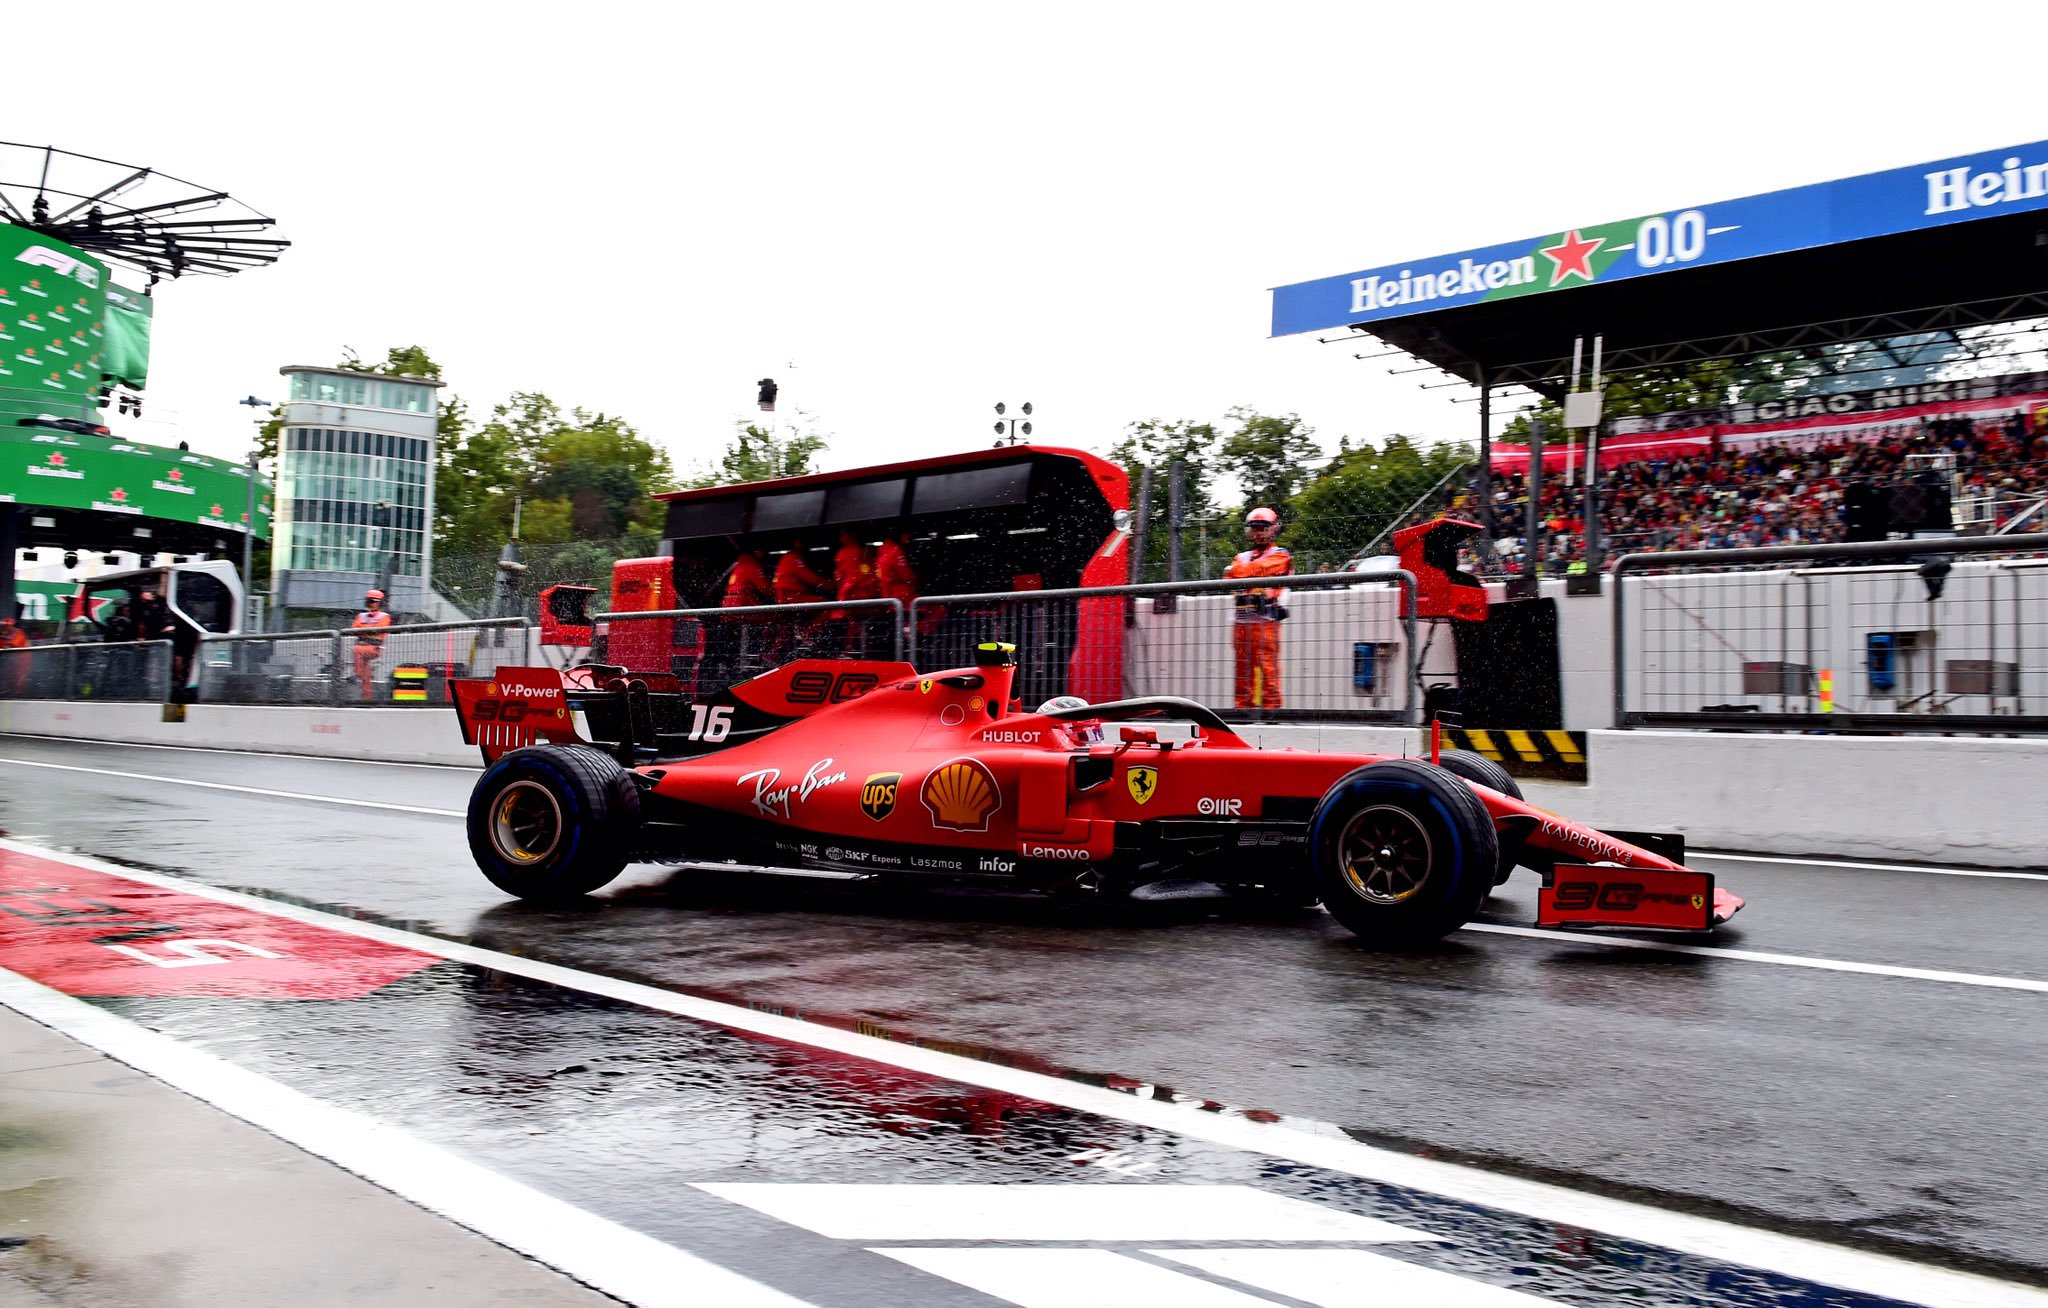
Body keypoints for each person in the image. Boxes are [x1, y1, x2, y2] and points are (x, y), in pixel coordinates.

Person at [1221, 506, 1291, 710]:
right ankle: (1243, 707)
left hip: (1266, 621)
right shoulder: (1241, 557)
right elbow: (1229, 578)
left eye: (1264, 527)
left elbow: (1241, 572)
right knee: (1243, 668)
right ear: (1249, 531)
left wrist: (1238, 572)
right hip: (1241, 620)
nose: (1260, 532)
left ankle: (1272, 708)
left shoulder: (1281, 555)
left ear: (1274, 529)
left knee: (1268, 666)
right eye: (1256, 528)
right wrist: (1244, 573)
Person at [771, 538, 831, 657]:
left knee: (786, 627)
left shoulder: (786, 558)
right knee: (828, 607)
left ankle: (773, 655)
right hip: (793, 600)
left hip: (783, 601)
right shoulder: (794, 558)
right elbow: (811, 578)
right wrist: (831, 586)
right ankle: (806, 634)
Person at [833, 529, 881, 655]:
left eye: (843, 534)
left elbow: (840, 578)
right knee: (855, 622)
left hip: (852, 598)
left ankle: (851, 650)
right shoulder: (865, 553)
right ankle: (862, 650)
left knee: (853, 621)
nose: (840, 538)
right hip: (864, 598)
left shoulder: (844, 554)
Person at [351, 589, 394, 702]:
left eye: (374, 601)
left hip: (374, 647)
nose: (372, 604)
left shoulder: (384, 616)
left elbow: (379, 630)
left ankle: (356, 675)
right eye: (370, 601)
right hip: (365, 645)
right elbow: (355, 629)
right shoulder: (361, 615)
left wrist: (364, 631)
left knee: (357, 650)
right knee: (367, 674)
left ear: (380, 603)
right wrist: (370, 631)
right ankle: (367, 698)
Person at [0, 607, 28, 697]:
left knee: (19, 680)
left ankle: (18, 694)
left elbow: (10, 645)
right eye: (4, 626)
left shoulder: (18, 633)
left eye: (7, 626)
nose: (6, 627)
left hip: (21, 661)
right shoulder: (4, 634)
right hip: (10, 662)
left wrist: (4, 638)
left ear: (12, 625)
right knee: (9, 679)